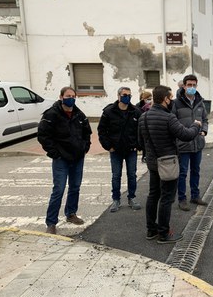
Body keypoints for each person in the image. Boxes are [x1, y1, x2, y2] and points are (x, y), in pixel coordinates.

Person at [138, 85, 201, 244]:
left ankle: (151, 230)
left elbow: (140, 142)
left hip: (153, 163)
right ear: (165, 99)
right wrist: (196, 125)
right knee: (166, 198)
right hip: (168, 163)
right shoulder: (168, 118)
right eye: (171, 97)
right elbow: (186, 135)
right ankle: (164, 233)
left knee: (153, 195)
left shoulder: (143, 117)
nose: (172, 100)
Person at [38, 87, 92, 234]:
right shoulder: (51, 114)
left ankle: (71, 213)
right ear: (61, 97)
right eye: (68, 96)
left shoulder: (79, 114)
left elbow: (87, 132)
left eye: (74, 96)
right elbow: (43, 135)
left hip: (77, 158)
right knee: (59, 190)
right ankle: (51, 222)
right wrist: (55, 153)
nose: (71, 98)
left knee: (75, 187)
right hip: (61, 159)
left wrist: (85, 147)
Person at [98, 87, 142, 212]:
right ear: (118, 96)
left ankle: (132, 198)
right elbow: (101, 131)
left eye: (129, 95)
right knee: (116, 176)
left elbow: (141, 130)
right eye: (124, 94)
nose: (126, 97)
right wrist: (108, 146)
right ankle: (116, 199)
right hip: (115, 150)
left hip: (131, 150)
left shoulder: (136, 112)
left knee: (132, 175)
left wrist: (138, 145)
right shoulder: (109, 111)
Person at [172, 74, 209, 211]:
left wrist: (204, 131)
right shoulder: (176, 103)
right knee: (182, 173)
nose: (191, 87)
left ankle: (195, 195)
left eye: (194, 85)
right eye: (189, 85)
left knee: (196, 171)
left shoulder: (200, 102)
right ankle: (182, 199)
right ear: (184, 86)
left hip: (197, 143)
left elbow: (205, 120)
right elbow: (173, 122)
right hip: (182, 144)